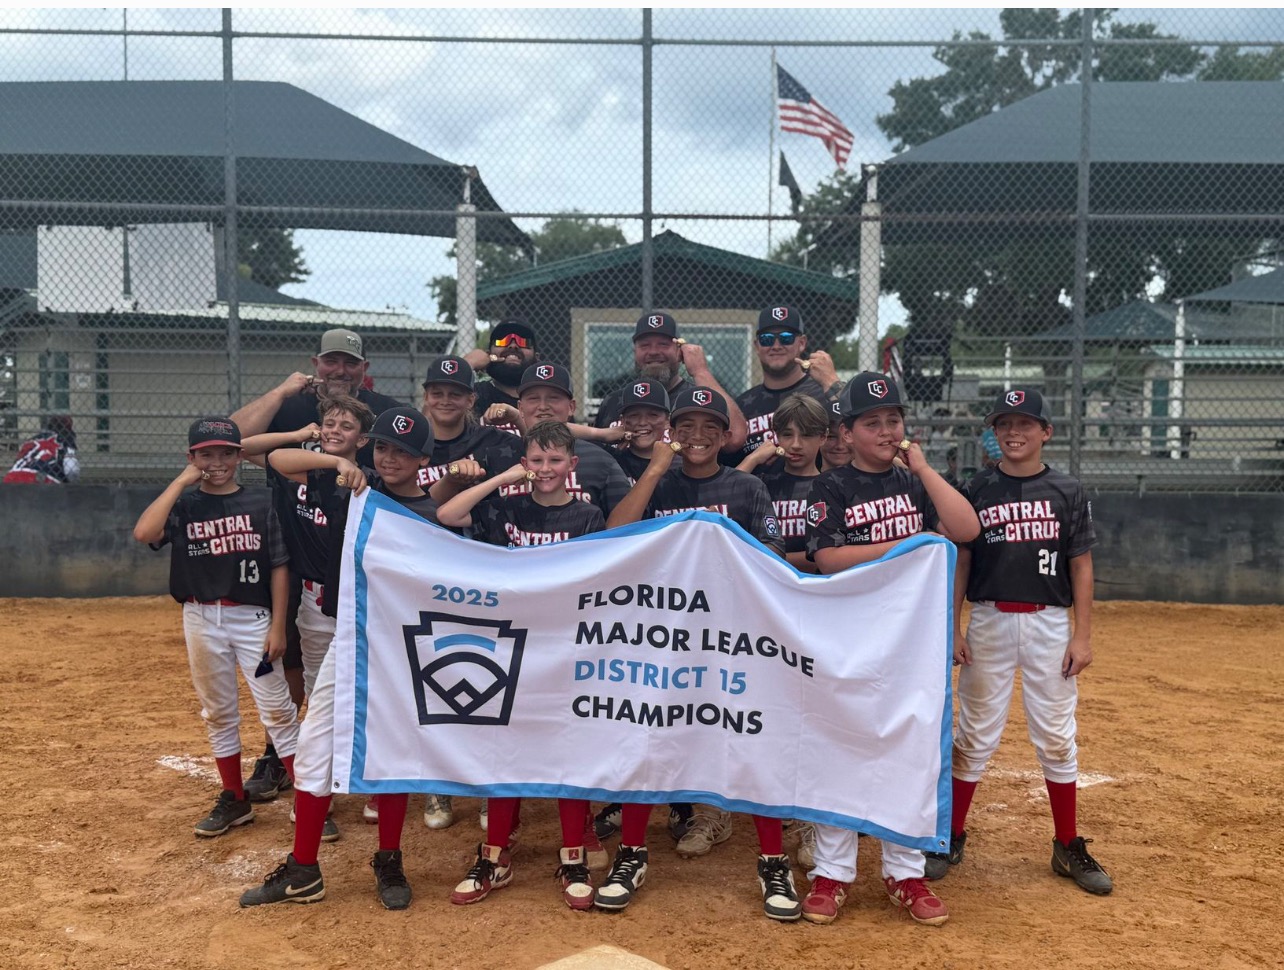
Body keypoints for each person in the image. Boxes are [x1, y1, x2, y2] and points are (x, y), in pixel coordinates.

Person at [603, 387, 799, 921]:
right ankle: (632, 853)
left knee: (748, 738)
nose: (697, 436)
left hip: (730, 633)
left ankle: (772, 861)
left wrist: (720, 547)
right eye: (685, 426)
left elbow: (775, 553)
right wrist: (653, 470)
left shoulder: (746, 485)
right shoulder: (656, 482)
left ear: (725, 435)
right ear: (671, 431)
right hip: (663, 633)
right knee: (647, 735)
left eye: (709, 426)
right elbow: (615, 535)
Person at [239, 406, 438, 911]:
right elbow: (278, 460)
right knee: (313, 747)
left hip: (401, 647)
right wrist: (335, 463)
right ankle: (303, 869)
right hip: (348, 638)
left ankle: (389, 858)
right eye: (384, 447)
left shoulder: (432, 511)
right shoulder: (353, 485)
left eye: (403, 451)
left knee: (391, 753)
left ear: (423, 459)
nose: (390, 458)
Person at [801, 372, 981, 927]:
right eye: (871, 422)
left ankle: (905, 871)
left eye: (893, 420)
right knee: (839, 744)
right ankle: (832, 872)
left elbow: (966, 529)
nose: (885, 430)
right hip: (847, 634)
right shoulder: (831, 487)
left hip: (909, 640)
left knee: (909, 746)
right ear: (846, 433)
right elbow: (827, 558)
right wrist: (907, 544)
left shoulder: (915, 483)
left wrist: (923, 470)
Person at [927, 388, 1112, 896]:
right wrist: (954, 625)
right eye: (1004, 424)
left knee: (1056, 735)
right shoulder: (978, 487)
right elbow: (962, 560)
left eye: (1025, 424)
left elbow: (1081, 564)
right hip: (989, 618)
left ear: (1045, 432)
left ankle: (1067, 843)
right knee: (975, 735)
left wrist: (1082, 635)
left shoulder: (1066, 490)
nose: (1013, 433)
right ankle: (950, 835)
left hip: (1048, 622)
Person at [436, 421, 605, 911]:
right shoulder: (506, 507)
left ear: (572, 465)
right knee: (503, 747)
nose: (545, 469)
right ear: (524, 463)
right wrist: (502, 478)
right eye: (536, 460)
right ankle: (494, 854)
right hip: (507, 645)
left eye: (555, 460)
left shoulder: (588, 515)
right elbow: (447, 513)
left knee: (567, 746)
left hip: (564, 645)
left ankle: (572, 855)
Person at [230, 328, 401, 797]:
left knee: (363, 675)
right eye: (332, 361)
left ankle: (359, 760)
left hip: (357, 585)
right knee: (299, 667)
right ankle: (284, 756)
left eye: (350, 363)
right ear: (316, 363)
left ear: (364, 369)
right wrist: (291, 408)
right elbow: (239, 445)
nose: (340, 370)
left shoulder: (379, 433)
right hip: (297, 571)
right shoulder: (296, 419)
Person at [131, 416, 299, 839]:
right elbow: (144, 532)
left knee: (278, 709)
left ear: (240, 456)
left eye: (226, 453)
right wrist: (179, 483)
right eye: (206, 454)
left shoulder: (261, 501)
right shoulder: (185, 505)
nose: (217, 462)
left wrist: (278, 626)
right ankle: (234, 798)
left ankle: (308, 798)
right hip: (201, 617)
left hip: (253, 619)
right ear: (191, 457)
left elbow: (279, 567)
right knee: (219, 712)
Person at [593, 312, 748, 454]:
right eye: (645, 345)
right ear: (635, 352)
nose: (653, 352)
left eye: (663, 344)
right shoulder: (614, 401)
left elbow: (735, 438)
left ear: (679, 351)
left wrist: (700, 371)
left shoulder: (696, 400)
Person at [730, 306, 842, 470]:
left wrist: (832, 381)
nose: (776, 345)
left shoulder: (823, 393)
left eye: (786, 338)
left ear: (802, 343)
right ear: (757, 346)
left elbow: (853, 434)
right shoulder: (742, 406)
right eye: (767, 339)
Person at [737, 393, 829, 574]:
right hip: (765, 584)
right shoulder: (761, 484)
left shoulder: (831, 487)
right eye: (787, 434)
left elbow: (824, 557)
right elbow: (725, 495)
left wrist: (764, 558)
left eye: (806, 435)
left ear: (823, 437)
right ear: (776, 435)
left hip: (815, 585)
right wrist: (752, 459)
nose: (796, 444)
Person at [463, 319, 540, 434]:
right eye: (502, 341)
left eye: (524, 342)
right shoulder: (473, 395)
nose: (513, 345)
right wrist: (467, 364)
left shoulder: (547, 399)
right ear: (489, 354)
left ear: (536, 357)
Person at [611, 380, 675, 485]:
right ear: (622, 421)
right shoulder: (612, 461)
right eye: (634, 415)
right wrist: (601, 434)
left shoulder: (681, 465)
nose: (642, 422)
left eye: (653, 415)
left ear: (667, 421)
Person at [4, 415, 80, 484]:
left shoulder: (32, 440)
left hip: (11, 477)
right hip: (40, 478)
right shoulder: (65, 440)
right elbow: (71, 470)